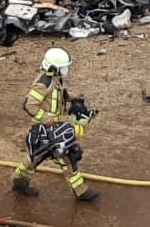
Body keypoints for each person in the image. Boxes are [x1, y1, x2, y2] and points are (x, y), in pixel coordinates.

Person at [11, 47, 99, 202]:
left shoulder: (55, 80)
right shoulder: (43, 83)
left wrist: (73, 98)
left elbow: (60, 96)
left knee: (65, 157)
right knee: (39, 158)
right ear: (53, 67)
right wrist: (46, 118)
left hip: (55, 129)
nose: (66, 70)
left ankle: (80, 191)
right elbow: (29, 105)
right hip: (44, 130)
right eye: (64, 67)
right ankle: (20, 182)